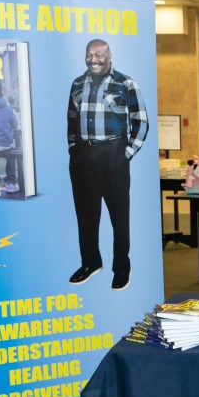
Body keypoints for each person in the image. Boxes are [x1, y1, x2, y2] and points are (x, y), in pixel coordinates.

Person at [67, 38, 149, 290]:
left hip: (114, 155)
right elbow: (71, 120)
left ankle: (121, 267)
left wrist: (126, 153)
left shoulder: (126, 83)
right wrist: (73, 149)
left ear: (109, 56)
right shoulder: (77, 84)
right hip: (83, 157)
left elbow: (141, 121)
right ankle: (91, 262)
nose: (94, 59)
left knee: (119, 217)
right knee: (86, 216)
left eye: (99, 54)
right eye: (89, 54)